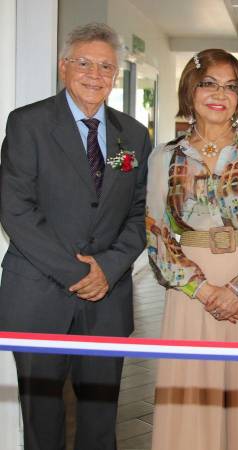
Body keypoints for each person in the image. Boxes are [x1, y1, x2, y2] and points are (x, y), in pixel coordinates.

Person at [0, 23, 151, 450]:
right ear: (64, 66)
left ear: (116, 73)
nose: (94, 74)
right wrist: (76, 271)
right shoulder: (27, 123)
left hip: (107, 298)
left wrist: (107, 268)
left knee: (102, 418)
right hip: (39, 296)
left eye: (106, 66)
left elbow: (140, 214)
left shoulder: (134, 135)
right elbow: (16, 209)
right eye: (84, 62)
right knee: (42, 420)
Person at [146, 49, 238, 450]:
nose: (219, 94)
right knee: (190, 397)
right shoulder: (165, 157)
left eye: (230, 86)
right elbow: (156, 233)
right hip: (191, 288)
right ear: (191, 89)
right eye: (209, 83)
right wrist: (206, 290)